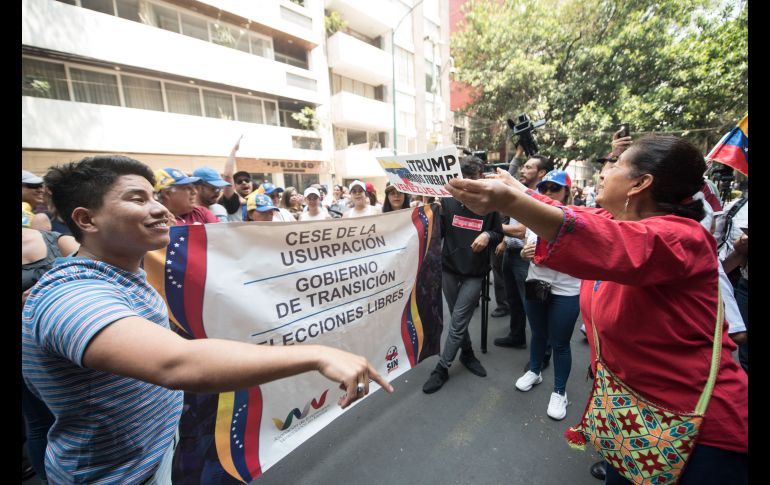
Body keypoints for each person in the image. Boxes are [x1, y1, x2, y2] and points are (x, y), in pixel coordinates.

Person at [22, 155, 394, 484]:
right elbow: (175, 363)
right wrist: (317, 354)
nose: (159, 209)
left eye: (155, 196)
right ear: (86, 219)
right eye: (137, 199)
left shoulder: (124, 275)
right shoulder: (71, 296)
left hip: (158, 456)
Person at [446, 135, 748, 484]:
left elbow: (590, 235)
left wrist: (510, 200)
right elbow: (572, 216)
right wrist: (517, 188)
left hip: (697, 433)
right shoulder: (618, 220)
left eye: (616, 164)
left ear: (640, 183)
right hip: (633, 417)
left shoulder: (680, 238)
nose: (604, 173)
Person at [422, 156, 503, 394]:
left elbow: (498, 233)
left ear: (480, 178)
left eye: (473, 179)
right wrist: (431, 212)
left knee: (458, 320)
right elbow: (437, 232)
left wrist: (488, 235)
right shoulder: (447, 201)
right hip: (449, 268)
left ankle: (442, 368)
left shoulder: (489, 205)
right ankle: (467, 353)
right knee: (460, 318)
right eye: (464, 179)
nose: (468, 185)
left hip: (474, 273)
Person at [515, 170, 581, 421]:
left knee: (560, 342)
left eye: (555, 188)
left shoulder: (580, 219)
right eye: (544, 189)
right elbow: (527, 248)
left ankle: (559, 391)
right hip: (536, 283)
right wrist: (524, 253)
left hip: (567, 289)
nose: (548, 193)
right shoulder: (533, 216)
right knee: (538, 333)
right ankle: (535, 371)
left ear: (567, 192)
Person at [22, 227, 79, 482]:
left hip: (67, 341)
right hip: (26, 351)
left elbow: (94, 271)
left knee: (78, 417)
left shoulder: (54, 239)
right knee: (40, 423)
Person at [494, 155, 554, 368]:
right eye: (524, 166)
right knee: (514, 301)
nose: (523, 170)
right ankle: (516, 335)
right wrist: (504, 240)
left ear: (541, 173)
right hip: (511, 253)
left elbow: (521, 230)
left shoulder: (540, 198)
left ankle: (543, 354)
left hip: (530, 260)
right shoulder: (521, 193)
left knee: (536, 307)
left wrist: (492, 227)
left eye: (529, 167)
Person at [154, 168, 219, 225]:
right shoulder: (155, 222)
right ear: (167, 193)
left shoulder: (201, 212)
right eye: (187, 188)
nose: (195, 192)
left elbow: (222, 233)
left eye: (193, 187)